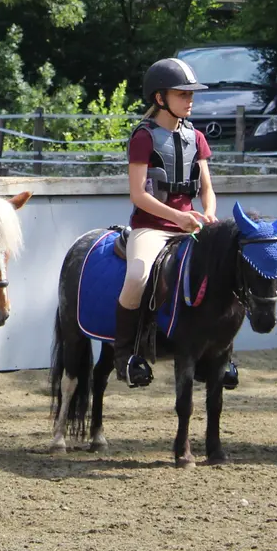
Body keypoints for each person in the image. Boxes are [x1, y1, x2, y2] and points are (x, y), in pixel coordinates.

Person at [113, 57, 216, 388]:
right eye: (182, 94)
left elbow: (207, 188)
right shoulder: (143, 137)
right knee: (137, 276)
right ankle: (125, 354)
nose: (190, 100)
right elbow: (138, 195)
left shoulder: (196, 136)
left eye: (191, 95)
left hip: (192, 225)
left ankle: (218, 354)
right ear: (160, 98)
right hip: (152, 228)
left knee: (227, 269)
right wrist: (179, 218)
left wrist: (209, 213)